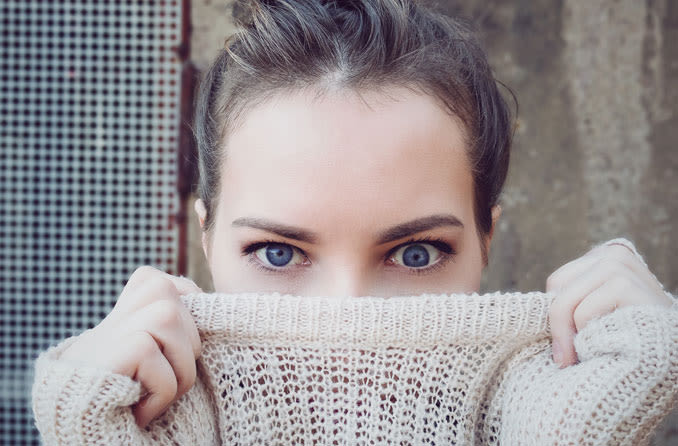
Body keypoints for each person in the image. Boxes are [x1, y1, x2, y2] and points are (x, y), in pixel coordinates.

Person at [35, 0, 675, 439]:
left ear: (486, 240)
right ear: (207, 238)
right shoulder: (150, 426)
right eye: (279, 253)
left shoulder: (551, 421)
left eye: (417, 253)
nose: (348, 324)